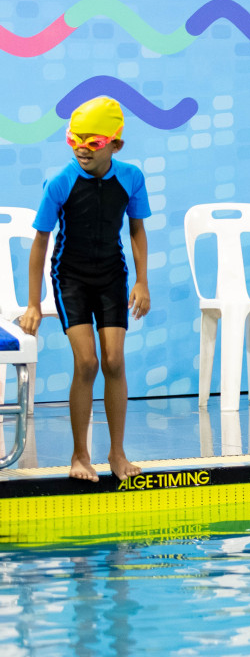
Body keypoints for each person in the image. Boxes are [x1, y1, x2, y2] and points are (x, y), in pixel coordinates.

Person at [17, 97, 150, 482]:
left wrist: (142, 281)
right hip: (70, 277)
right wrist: (32, 303)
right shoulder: (61, 181)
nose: (81, 148)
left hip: (111, 274)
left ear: (115, 145)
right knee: (88, 363)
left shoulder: (131, 177)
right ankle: (80, 455)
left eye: (92, 142)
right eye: (74, 139)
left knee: (114, 362)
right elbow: (40, 242)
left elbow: (137, 230)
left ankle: (117, 454)